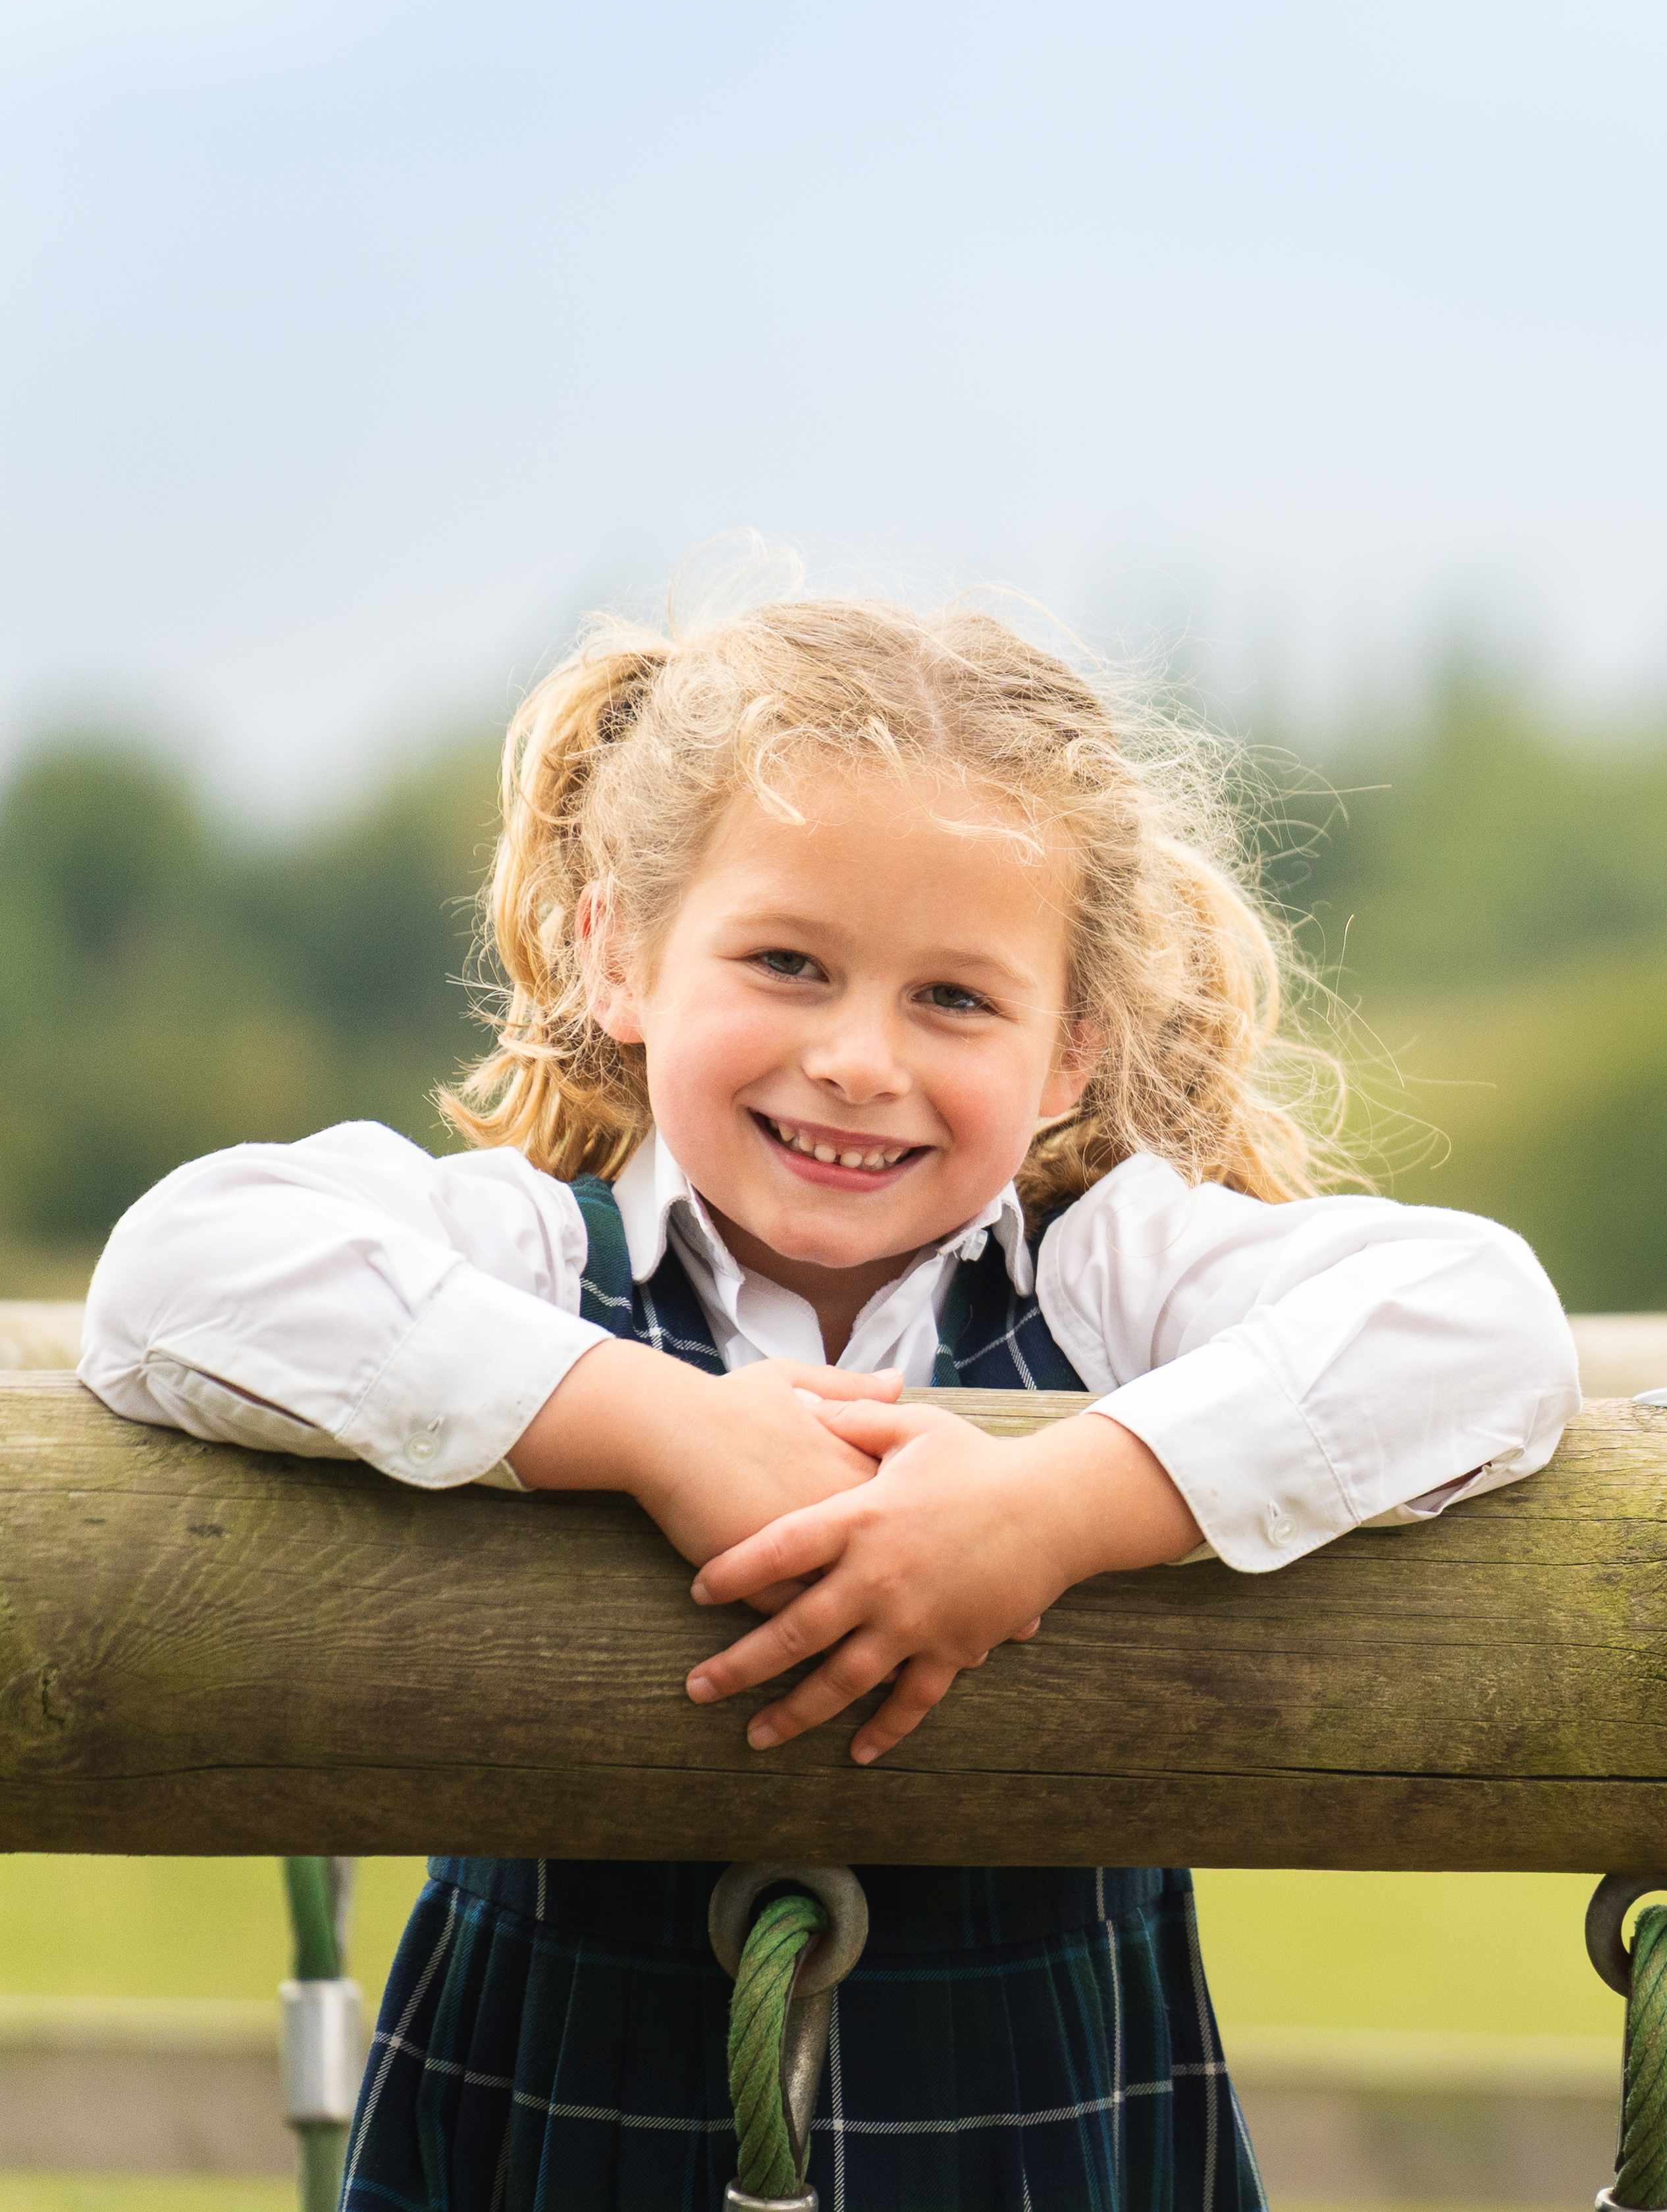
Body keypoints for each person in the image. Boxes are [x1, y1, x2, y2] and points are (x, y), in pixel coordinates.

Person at [77, 585, 1581, 2209]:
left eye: (954, 998)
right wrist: (651, 1424)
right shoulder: (526, 1248)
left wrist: (1052, 1508)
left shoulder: (1109, 1277)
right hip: (565, 2116)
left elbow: (1482, 1321)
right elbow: (180, 1266)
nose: (860, 1058)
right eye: (789, 963)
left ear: (1070, 1051)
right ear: (621, 954)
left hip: (1033, 2127)